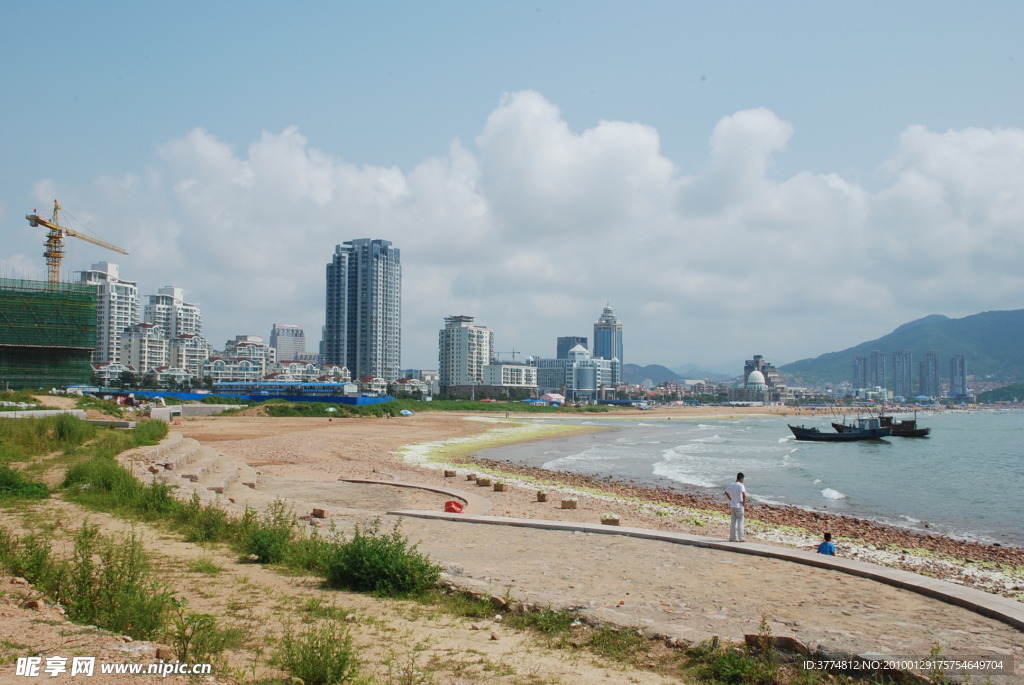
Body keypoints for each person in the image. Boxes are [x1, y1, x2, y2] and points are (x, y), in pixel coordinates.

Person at [724, 472, 746, 542]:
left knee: (733, 522)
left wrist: (731, 499)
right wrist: (743, 502)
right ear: (741, 478)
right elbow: (743, 494)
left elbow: (726, 492)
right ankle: (741, 538)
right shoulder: (741, 485)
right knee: (740, 521)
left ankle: (732, 537)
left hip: (733, 505)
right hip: (739, 506)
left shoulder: (732, 484)